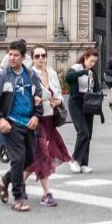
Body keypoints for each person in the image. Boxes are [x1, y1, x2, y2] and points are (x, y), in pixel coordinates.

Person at [0, 39, 42, 212]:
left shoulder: (30, 75)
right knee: (17, 159)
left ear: (23, 57)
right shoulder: (3, 75)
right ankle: (18, 197)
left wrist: (37, 116)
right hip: (11, 123)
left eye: (16, 55)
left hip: (28, 124)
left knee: (30, 158)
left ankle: (4, 180)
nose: (12, 58)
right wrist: (0, 119)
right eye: (10, 54)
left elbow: (38, 97)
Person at [26, 46, 71, 207]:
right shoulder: (30, 75)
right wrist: (39, 99)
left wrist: (58, 100)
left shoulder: (51, 72)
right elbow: (28, 96)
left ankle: (12, 182)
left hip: (50, 118)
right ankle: (46, 193)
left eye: (43, 55)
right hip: (37, 119)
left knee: (38, 156)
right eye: (37, 56)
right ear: (32, 58)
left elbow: (58, 93)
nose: (40, 58)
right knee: (43, 155)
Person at [63, 49, 103, 173]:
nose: (92, 64)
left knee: (88, 135)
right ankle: (74, 160)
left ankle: (83, 163)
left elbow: (97, 88)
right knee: (83, 132)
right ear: (85, 58)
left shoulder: (92, 72)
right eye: (91, 61)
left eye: (94, 62)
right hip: (76, 102)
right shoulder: (77, 67)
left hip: (88, 103)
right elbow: (68, 78)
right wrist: (83, 72)